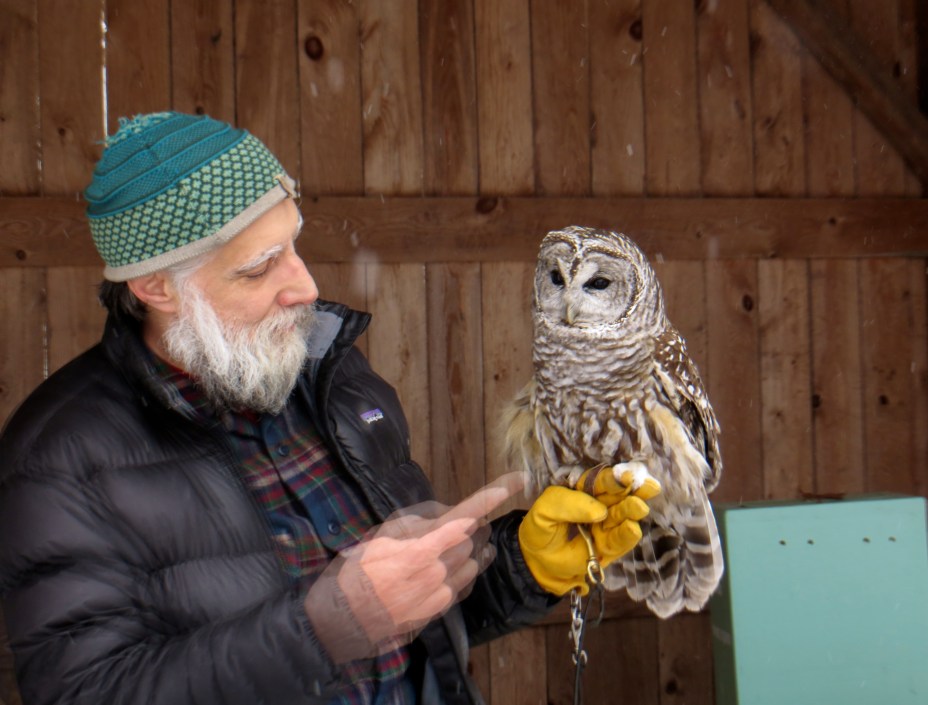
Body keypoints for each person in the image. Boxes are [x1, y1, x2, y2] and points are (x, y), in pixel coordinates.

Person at [0, 112, 658, 705]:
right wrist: (323, 627)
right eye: (259, 268)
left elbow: (408, 629)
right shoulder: (58, 458)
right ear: (154, 286)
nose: (305, 285)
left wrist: (522, 566)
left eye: (293, 244)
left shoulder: (327, 376)